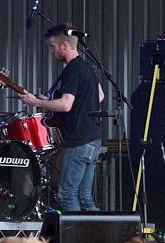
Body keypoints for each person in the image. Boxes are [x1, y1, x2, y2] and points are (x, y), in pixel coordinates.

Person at [20, 23, 104, 211]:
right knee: (85, 197)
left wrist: (36, 102)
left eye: (52, 46)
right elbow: (99, 96)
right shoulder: (87, 66)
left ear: (65, 46)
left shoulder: (72, 69)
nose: (51, 52)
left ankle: (75, 240)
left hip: (79, 140)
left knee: (67, 195)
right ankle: (97, 239)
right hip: (93, 139)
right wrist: (50, 100)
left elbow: (66, 104)